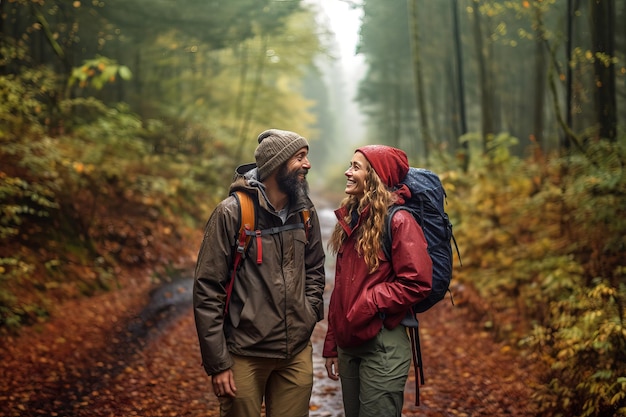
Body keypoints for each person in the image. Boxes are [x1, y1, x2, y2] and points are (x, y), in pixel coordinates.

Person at [193, 129, 326, 417]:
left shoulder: (304, 212)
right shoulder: (231, 213)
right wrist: (218, 363)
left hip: (295, 353)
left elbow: (315, 267)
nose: (307, 164)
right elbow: (207, 288)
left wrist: (310, 311)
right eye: (300, 158)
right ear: (277, 164)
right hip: (244, 353)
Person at [323, 145, 433, 417]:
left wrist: (371, 301)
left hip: (382, 343)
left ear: (375, 177)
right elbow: (341, 289)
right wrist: (331, 344)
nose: (348, 172)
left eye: (356, 167)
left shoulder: (400, 221)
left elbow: (417, 282)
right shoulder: (352, 219)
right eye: (350, 165)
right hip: (348, 345)